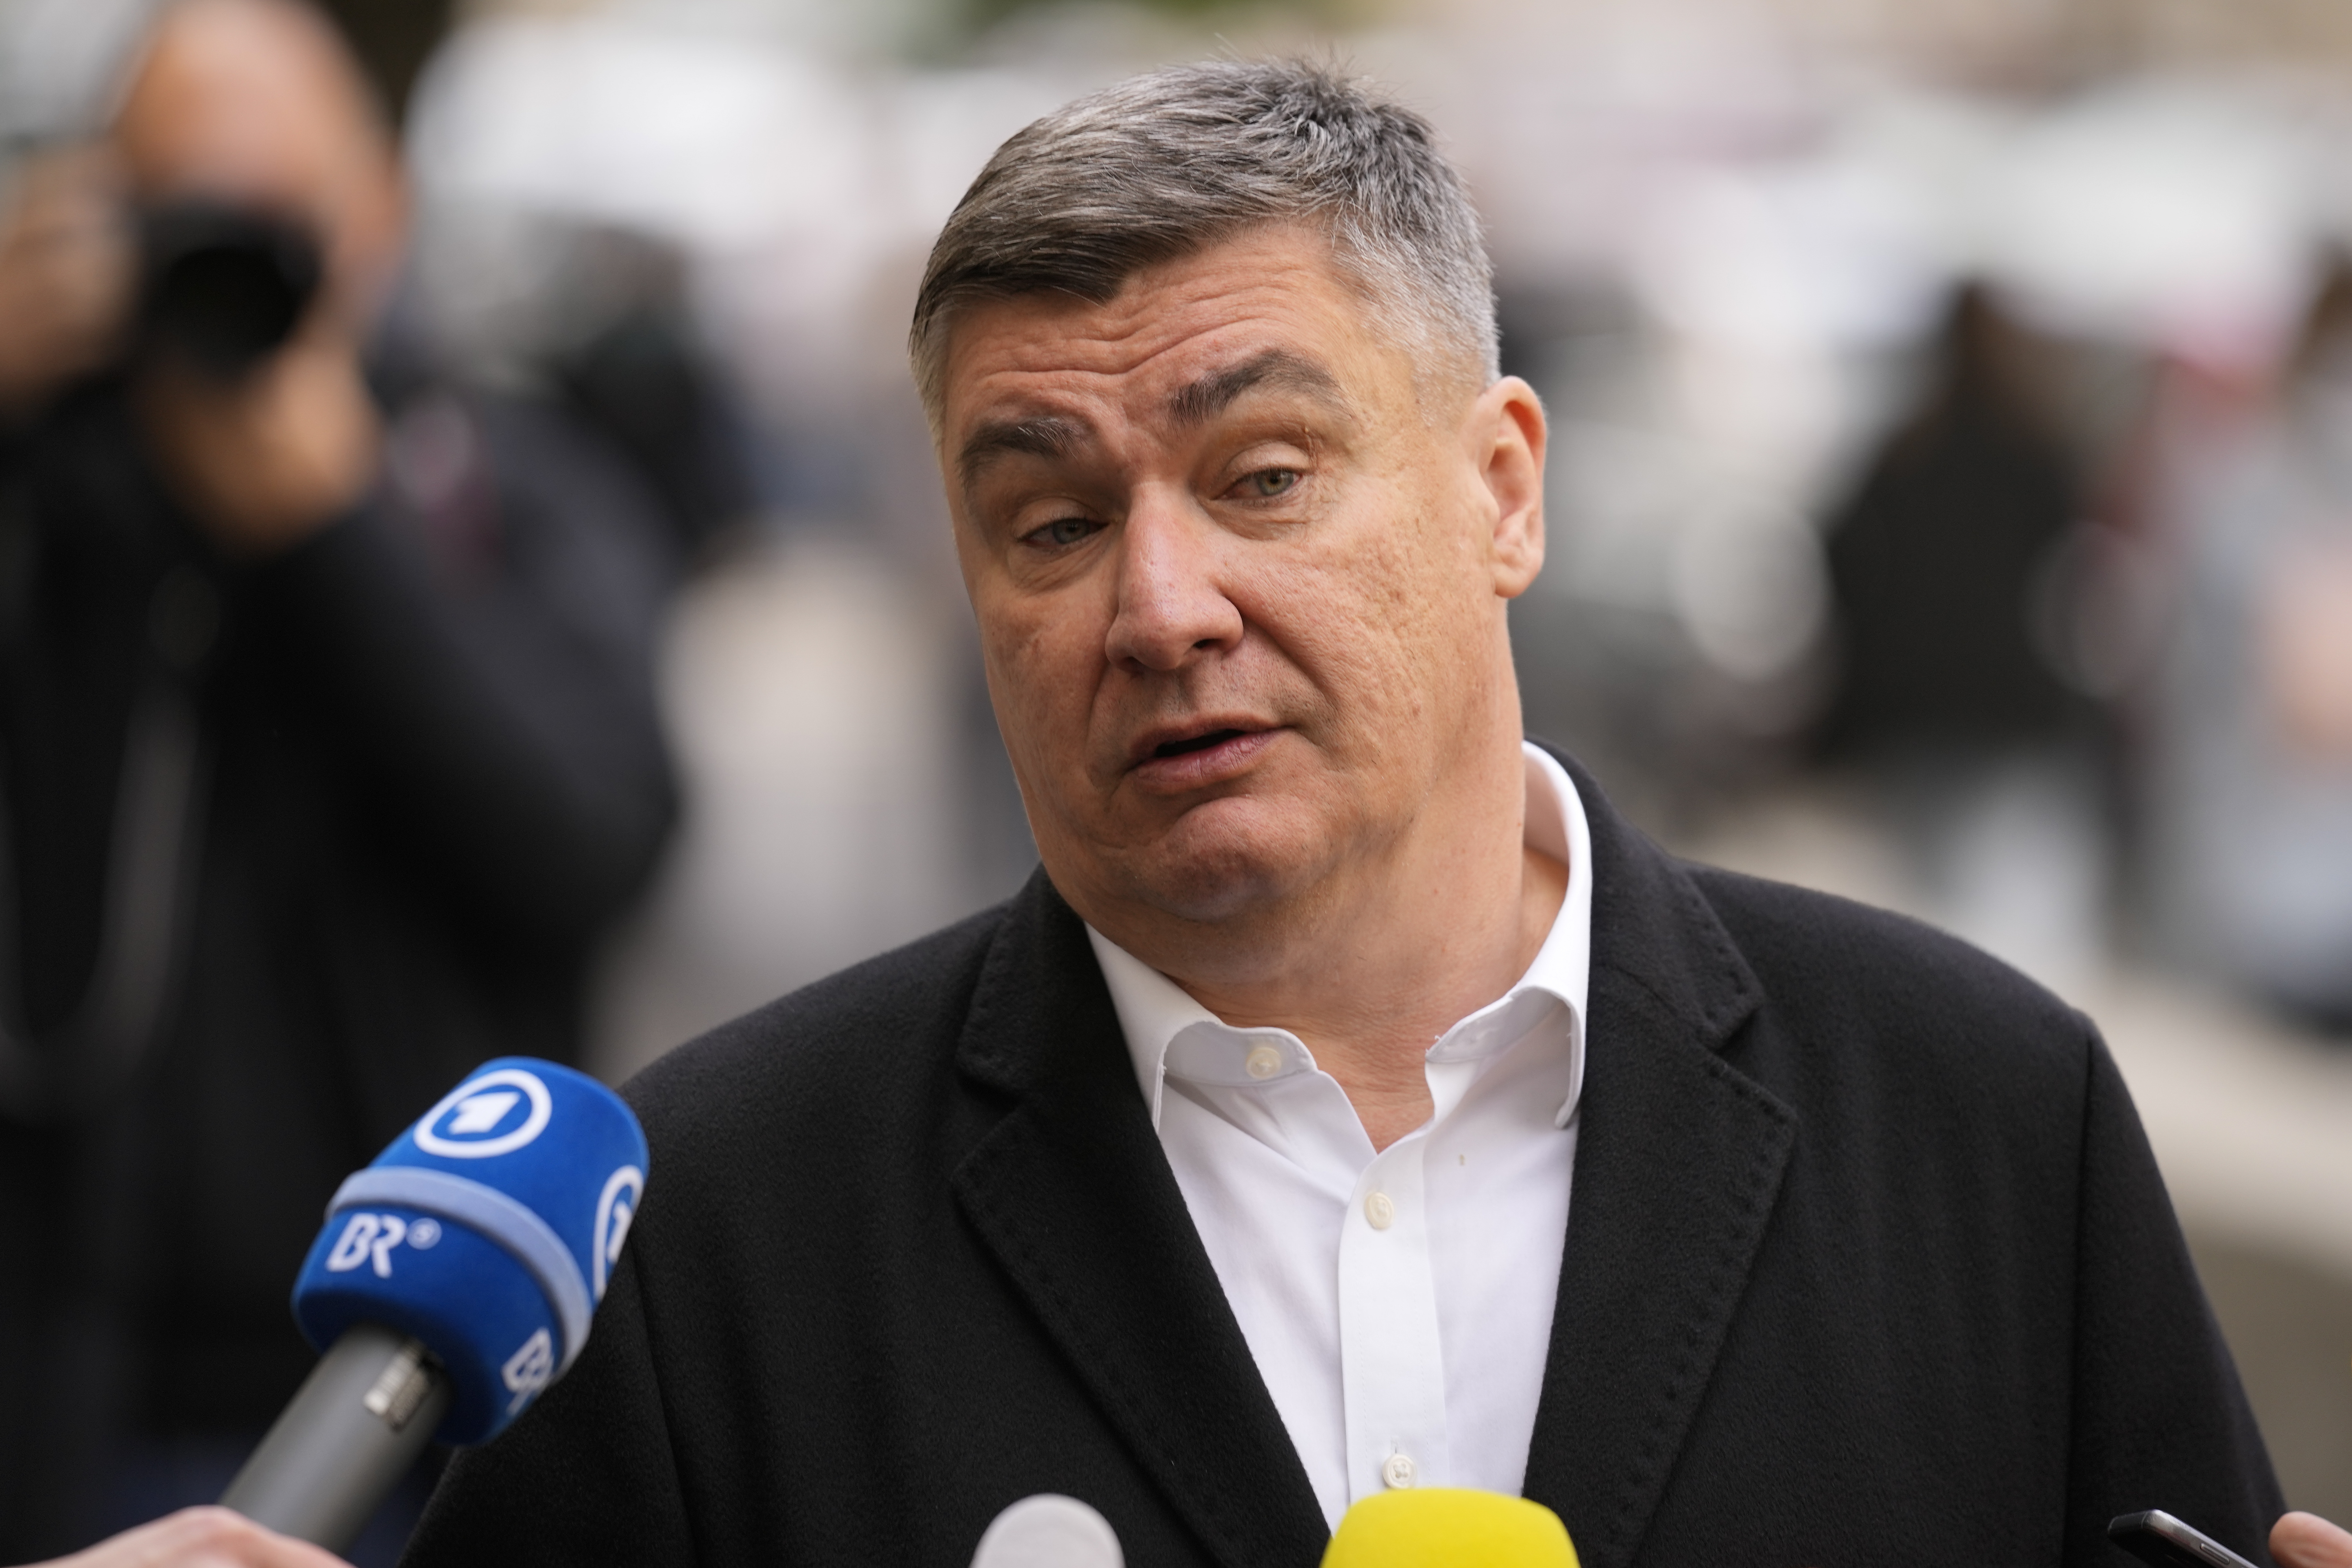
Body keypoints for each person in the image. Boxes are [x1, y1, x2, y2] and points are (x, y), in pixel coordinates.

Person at [362, 59, 2287, 1565]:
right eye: (1051, 520)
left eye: (1264, 475)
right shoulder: (715, 1236)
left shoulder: (1986, 1124)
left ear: (1503, 490)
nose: (1158, 603)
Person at [0, 0, 676, 1556]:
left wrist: (335, 531)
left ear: (382, 214)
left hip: (443, 1382)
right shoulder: (53, 490)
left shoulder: (498, 488)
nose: (221, 260)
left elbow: (596, 838)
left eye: (272, 210)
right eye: (175, 208)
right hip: (80, 1393)